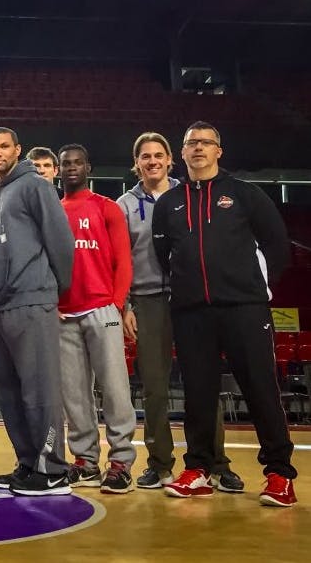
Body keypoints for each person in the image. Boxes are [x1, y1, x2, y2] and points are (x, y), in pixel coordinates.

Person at [153, 121, 297, 507]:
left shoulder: (245, 194)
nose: (198, 148)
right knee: (198, 393)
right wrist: (187, 288)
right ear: (182, 153)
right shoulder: (169, 203)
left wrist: (257, 288)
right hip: (191, 313)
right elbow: (163, 256)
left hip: (244, 309)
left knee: (260, 388)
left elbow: (277, 244)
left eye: (206, 142)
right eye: (191, 143)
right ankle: (198, 469)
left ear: (219, 150)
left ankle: (279, 474)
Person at [116, 132, 243, 491]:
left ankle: (215, 463)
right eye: (145, 156)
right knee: (154, 387)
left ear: (171, 159)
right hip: (147, 302)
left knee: (202, 383)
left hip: (190, 299)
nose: (152, 161)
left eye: (159, 155)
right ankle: (159, 464)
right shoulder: (124, 204)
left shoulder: (188, 194)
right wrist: (125, 305)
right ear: (137, 162)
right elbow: (119, 259)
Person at [0, 127, 74, 496]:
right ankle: (28, 463)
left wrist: (51, 288)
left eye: (4, 146)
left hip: (32, 300)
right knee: (8, 390)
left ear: (17, 150)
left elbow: (61, 241)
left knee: (39, 389)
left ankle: (53, 469)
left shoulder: (36, 186)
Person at [55, 143, 137, 494]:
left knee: (115, 388)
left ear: (88, 167)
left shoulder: (107, 207)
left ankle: (121, 462)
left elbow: (124, 261)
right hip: (64, 314)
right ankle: (86, 462)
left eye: (78, 162)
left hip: (103, 310)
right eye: (66, 164)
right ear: (59, 170)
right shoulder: (54, 211)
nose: (72, 167)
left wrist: (116, 304)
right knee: (74, 395)